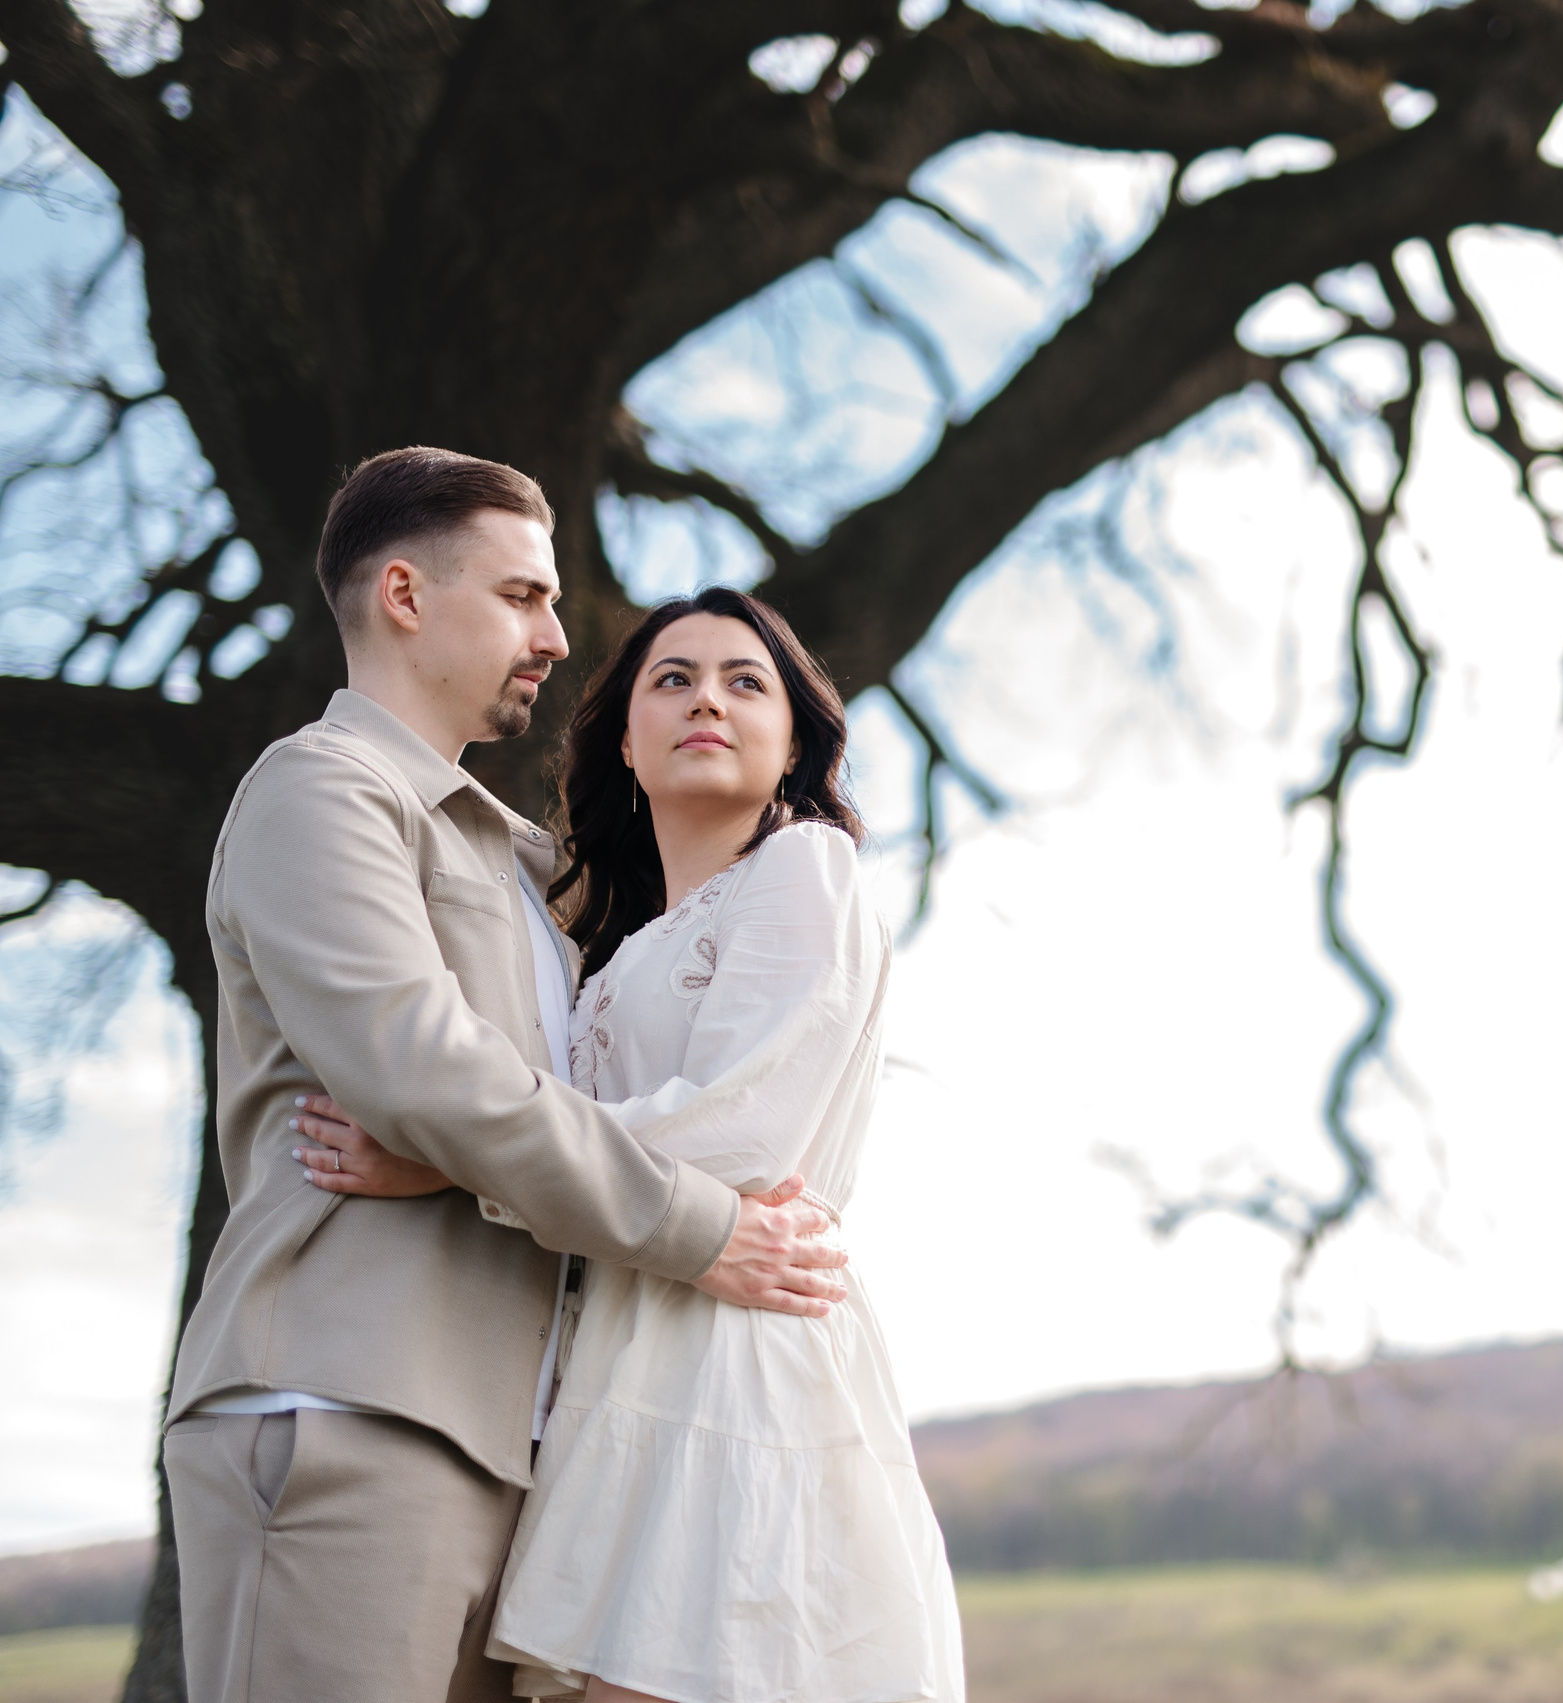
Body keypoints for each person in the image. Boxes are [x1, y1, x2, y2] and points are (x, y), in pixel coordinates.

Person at [165, 448, 851, 1703]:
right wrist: (704, 1229)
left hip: (518, 1452)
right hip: (347, 1408)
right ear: (407, 595)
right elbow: (421, 1071)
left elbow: (582, 1094)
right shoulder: (322, 789)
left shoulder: (528, 866)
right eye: (523, 596)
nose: (553, 631)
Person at [291, 586, 965, 1703]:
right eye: (673, 678)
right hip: (614, 1353)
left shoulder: (806, 867)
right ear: (624, 737)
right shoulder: (601, 945)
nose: (708, 698)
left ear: (795, 739)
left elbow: (740, 1131)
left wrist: (455, 1161)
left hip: (736, 1346)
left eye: (746, 681)